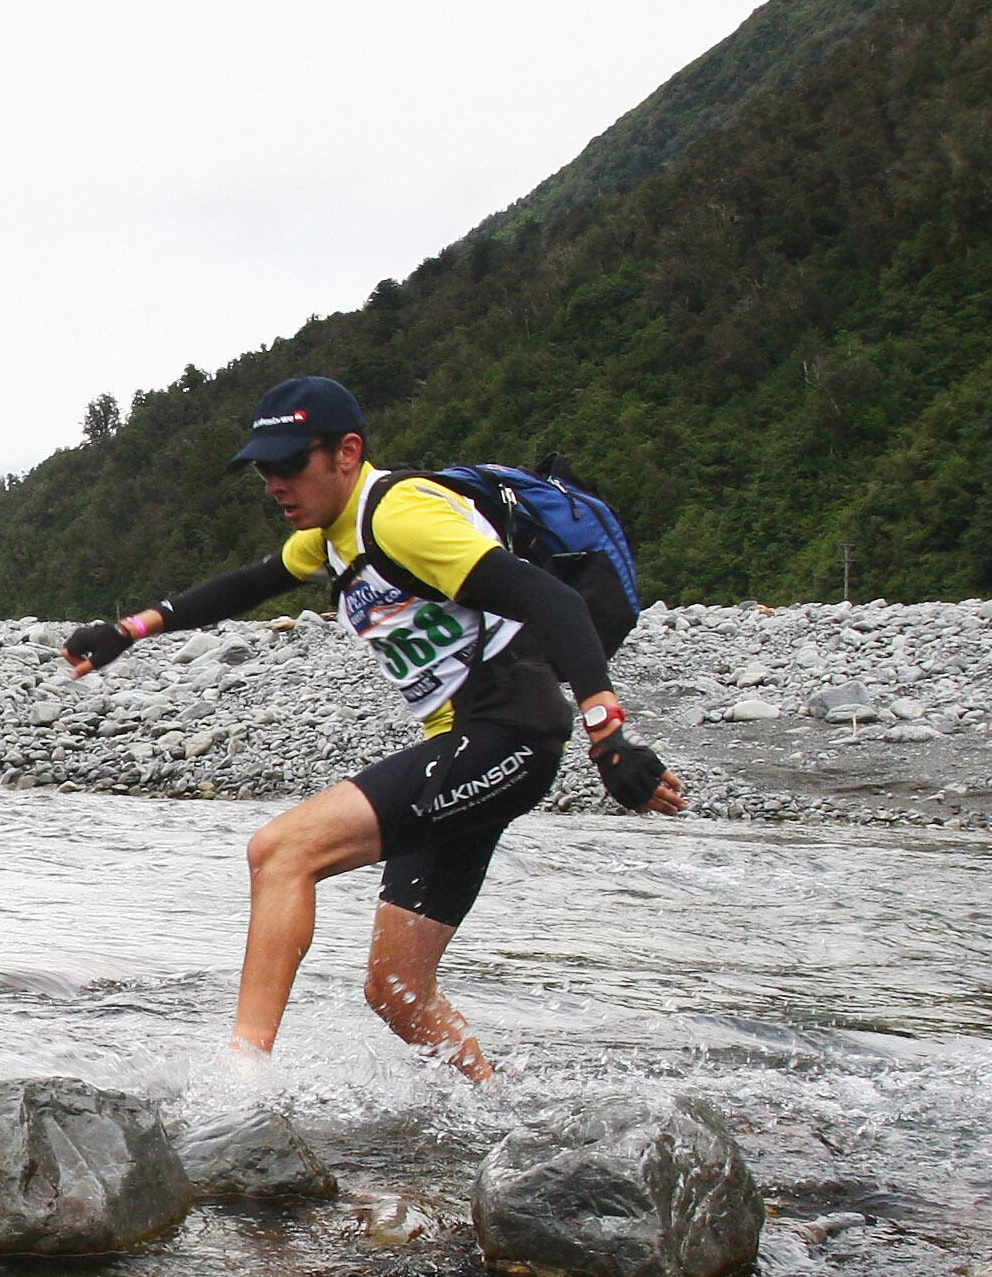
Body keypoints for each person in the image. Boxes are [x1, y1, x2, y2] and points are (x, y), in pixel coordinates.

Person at [60, 374, 683, 1082]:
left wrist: (608, 735)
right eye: (265, 470)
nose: (275, 484)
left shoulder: (399, 516)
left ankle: (243, 1082)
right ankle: (501, 1119)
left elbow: (552, 601)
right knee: (397, 992)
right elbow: (247, 583)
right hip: (471, 742)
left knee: (282, 851)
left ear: (346, 453)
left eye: (292, 464)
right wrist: (129, 630)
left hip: (508, 731)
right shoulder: (332, 536)